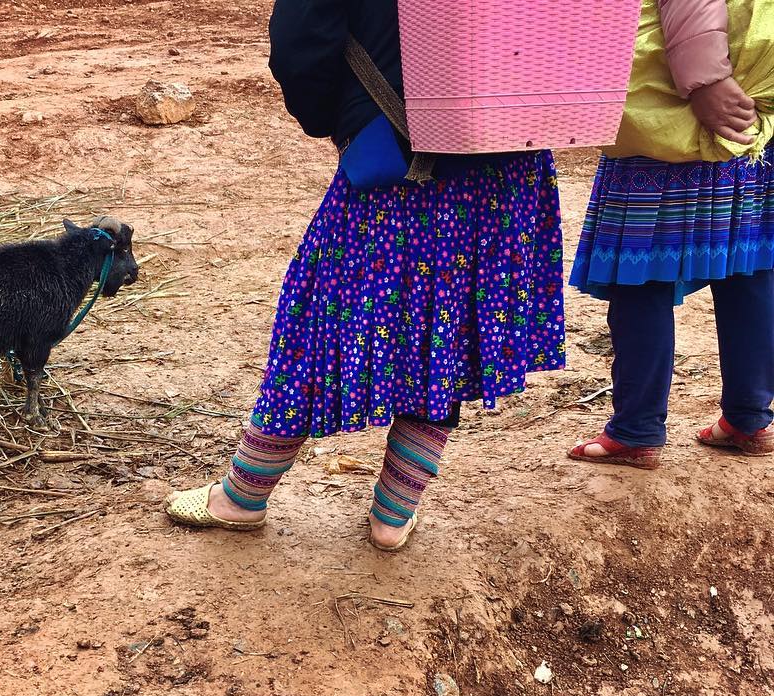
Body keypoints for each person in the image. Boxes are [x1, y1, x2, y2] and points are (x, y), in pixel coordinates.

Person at [164, 0, 567, 549]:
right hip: (510, 160)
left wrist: (346, 114)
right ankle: (393, 514)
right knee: (445, 334)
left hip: (398, 161)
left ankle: (242, 495)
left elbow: (301, 39)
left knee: (318, 329)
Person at [568, 0, 774, 469]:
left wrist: (705, 82)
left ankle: (636, 430)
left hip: (672, 114)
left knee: (641, 278)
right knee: (749, 270)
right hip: (749, 123)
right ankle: (750, 419)